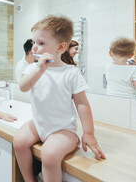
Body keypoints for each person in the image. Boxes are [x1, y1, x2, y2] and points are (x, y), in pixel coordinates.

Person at [13, 15, 105, 182]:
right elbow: (23, 87)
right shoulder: (33, 68)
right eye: (34, 42)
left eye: (41, 43)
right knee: (18, 141)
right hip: (38, 124)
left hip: (63, 130)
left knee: (49, 154)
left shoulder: (70, 73)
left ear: (61, 47)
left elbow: (82, 104)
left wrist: (89, 133)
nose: (34, 47)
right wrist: (39, 69)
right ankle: (29, 180)